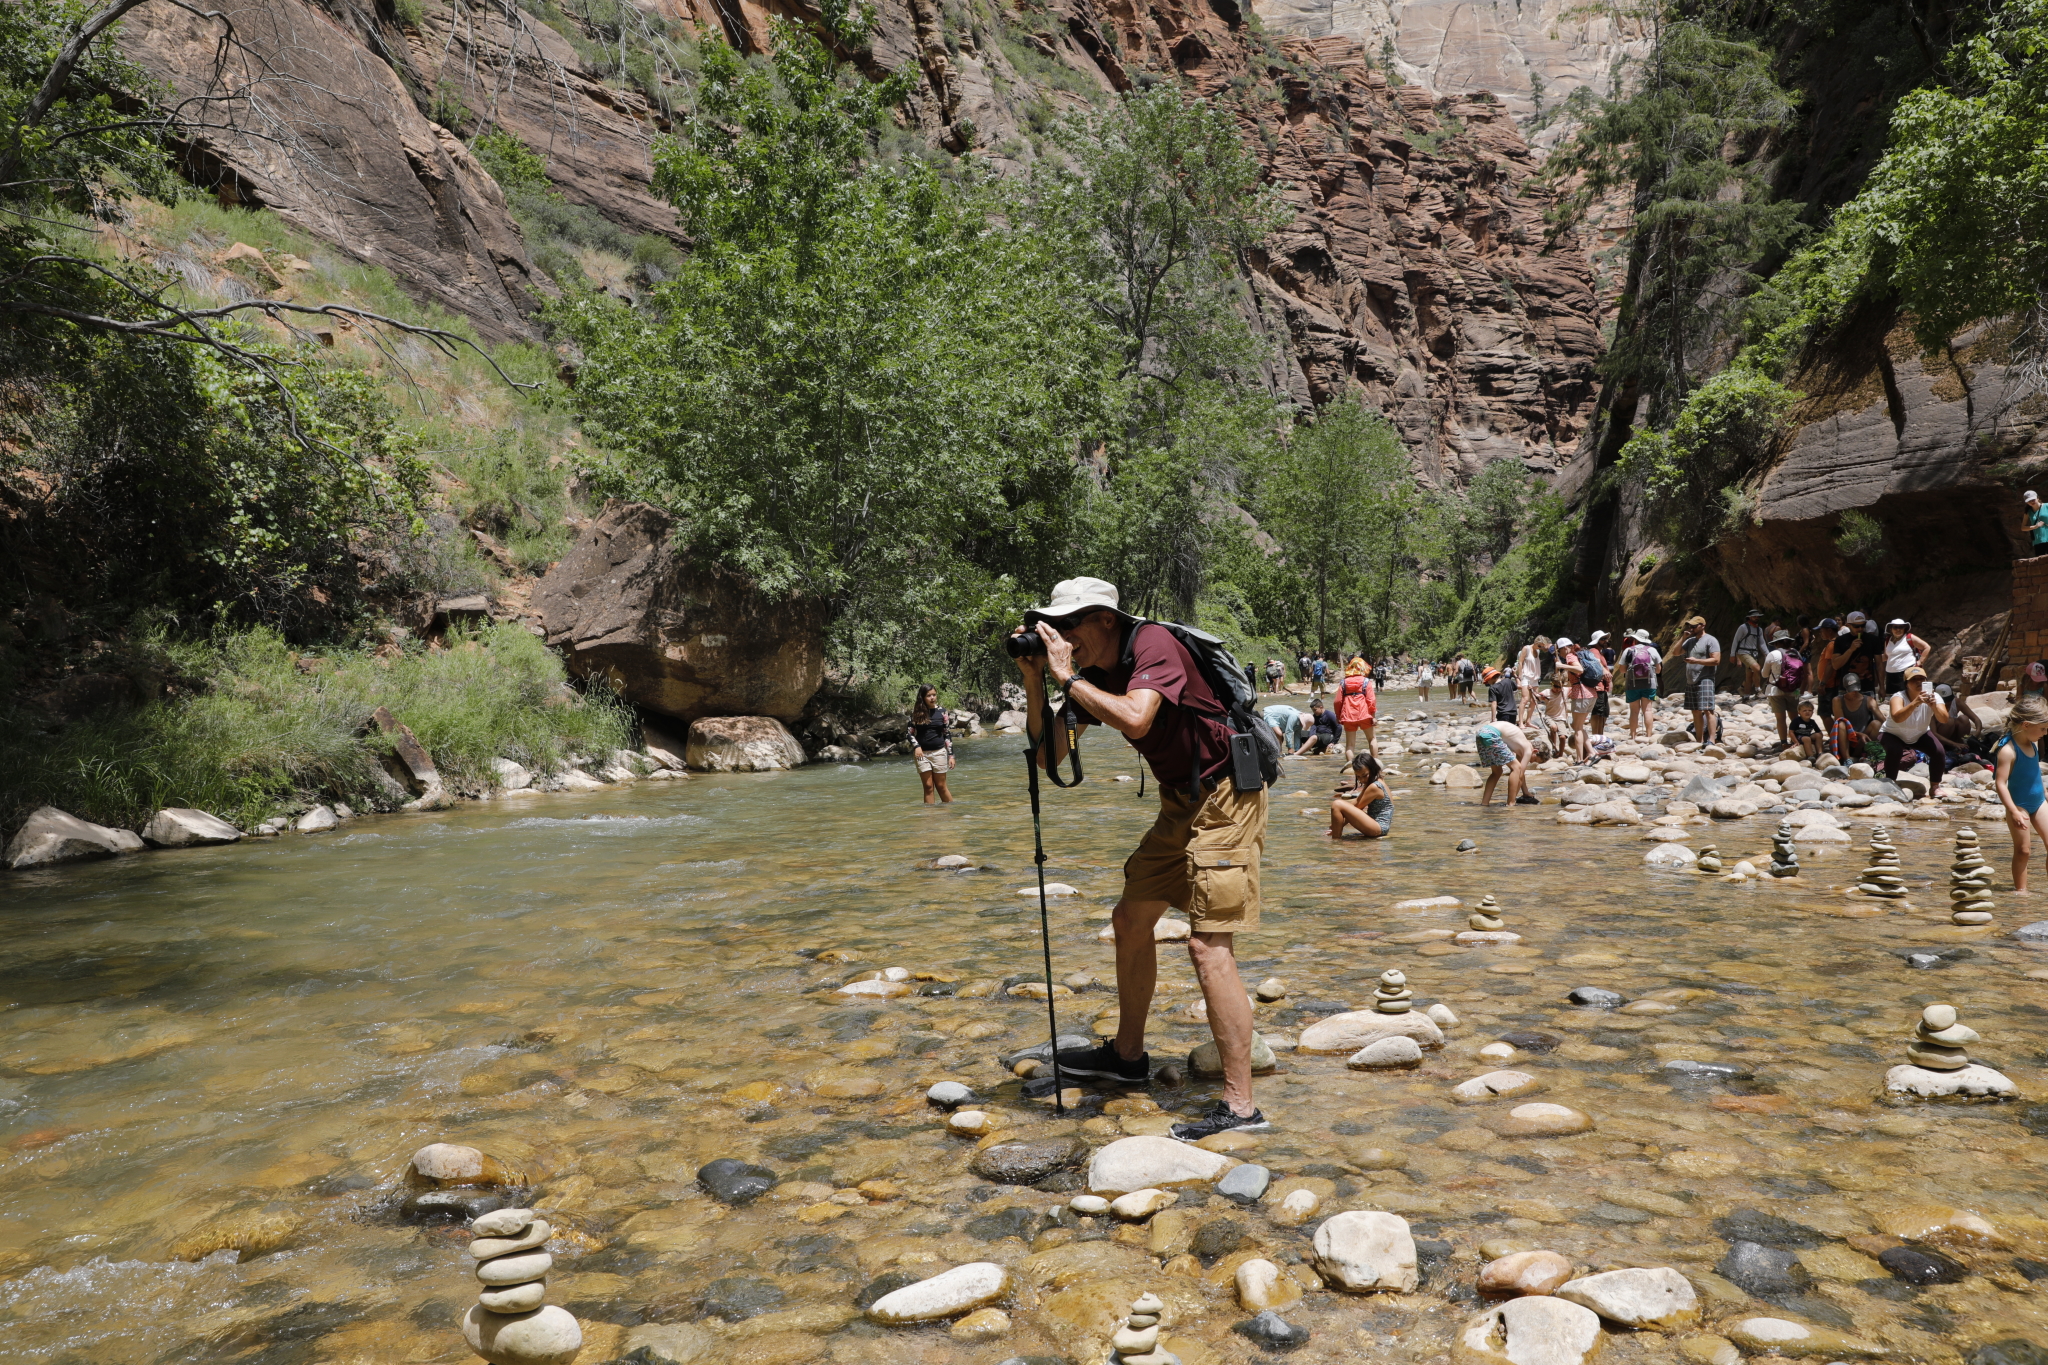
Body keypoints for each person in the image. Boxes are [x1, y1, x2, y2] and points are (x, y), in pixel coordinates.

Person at [1013, 576, 1270, 1139]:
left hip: (1228, 793)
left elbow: (1135, 718)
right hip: (1180, 798)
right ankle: (1128, 1059)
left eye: (1070, 625)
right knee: (1130, 920)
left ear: (1106, 619)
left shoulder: (1152, 642)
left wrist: (1067, 676)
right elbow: (1050, 756)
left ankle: (1242, 1108)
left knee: (1208, 945)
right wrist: (1039, 684)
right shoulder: (1094, 672)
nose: (1062, 636)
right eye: (1055, 628)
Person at [1998, 694, 2048, 890]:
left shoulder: (2033, 743)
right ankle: (2021, 893)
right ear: (2026, 725)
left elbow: (2033, 772)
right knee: (2023, 851)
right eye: (2043, 728)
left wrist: (2044, 793)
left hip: (2039, 802)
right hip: (2019, 805)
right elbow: (2001, 783)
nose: (2045, 732)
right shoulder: (2008, 751)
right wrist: (2013, 811)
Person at [1880, 666, 1949, 788]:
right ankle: (1890, 785)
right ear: (1906, 684)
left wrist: (1934, 707)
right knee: (1895, 751)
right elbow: (1897, 718)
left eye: (1922, 679)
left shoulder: (1935, 697)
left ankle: (1935, 787)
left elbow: (1944, 719)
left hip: (1919, 734)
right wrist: (1915, 703)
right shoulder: (1898, 697)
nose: (1918, 682)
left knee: (1939, 752)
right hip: (1893, 733)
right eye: (1914, 679)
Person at [1666, 615, 1721, 744]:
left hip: (1705, 678)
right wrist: (1683, 637)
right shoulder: (1690, 641)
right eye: (1690, 626)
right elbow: (1676, 652)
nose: (1691, 628)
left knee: (1708, 709)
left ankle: (1711, 740)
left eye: (1694, 626)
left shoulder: (1710, 640)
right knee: (1695, 711)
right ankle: (1699, 739)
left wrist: (1696, 660)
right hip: (1691, 680)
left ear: (1702, 626)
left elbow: (1716, 660)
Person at [1328, 750, 1393, 839]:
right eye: (1358, 776)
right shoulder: (1376, 780)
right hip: (1378, 826)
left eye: (1364, 775)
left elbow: (1358, 806)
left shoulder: (1375, 786)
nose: (1362, 780)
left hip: (1379, 827)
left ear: (1372, 769)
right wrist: (1338, 823)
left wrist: (1338, 825)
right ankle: (1336, 839)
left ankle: (1335, 842)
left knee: (1337, 804)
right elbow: (1356, 802)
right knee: (1339, 805)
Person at [907, 684, 955, 804]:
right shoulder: (915, 714)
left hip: (939, 752)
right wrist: (917, 747)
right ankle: (930, 816)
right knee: (928, 787)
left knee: (941, 786)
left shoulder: (942, 712)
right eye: (928, 695)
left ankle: (950, 813)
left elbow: (947, 734)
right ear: (922, 697)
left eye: (934, 695)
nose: (932, 698)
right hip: (921, 754)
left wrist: (951, 755)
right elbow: (909, 734)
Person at [1476, 720, 1536, 806]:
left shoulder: (1520, 747)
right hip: (1491, 734)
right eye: (1535, 759)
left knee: (1497, 772)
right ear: (1535, 751)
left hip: (1481, 733)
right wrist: (1524, 793)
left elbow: (1520, 776)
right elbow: (1520, 774)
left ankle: (1484, 803)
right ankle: (1511, 803)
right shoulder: (1528, 750)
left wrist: (1525, 792)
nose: (1531, 761)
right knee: (1516, 768)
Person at [1763, 632, 1804, 747]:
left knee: (1781, 718)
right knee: (1794, 717)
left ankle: (1784, 743)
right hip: (1794, 689)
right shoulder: (1796, 653)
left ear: (1776, 643)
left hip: (1775, 690)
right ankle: (1797, 740)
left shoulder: (1773, 654)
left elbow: (1764, 674)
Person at [1831, 672, 1882, 764]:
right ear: (1846, 689)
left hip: (1863, 740)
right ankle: (1847, 758)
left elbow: (1882, 719)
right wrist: (1858, 734)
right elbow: (1840, 721)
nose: (1853, 693)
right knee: (1841, 724)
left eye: (1855, 690)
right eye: (1851, 690)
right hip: (1846, 739)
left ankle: (1866, 754)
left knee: (1876, 724)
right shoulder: (1838, 700)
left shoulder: (1869, 700)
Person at [1555, 635, 1591, 761]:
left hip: (1581, 694)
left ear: (1564, 648)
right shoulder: (1579, 654)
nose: (1560, 654)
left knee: (1577, 728)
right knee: (1578, 725)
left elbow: (1579, 669)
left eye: (1559, 651)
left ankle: (1580, 759)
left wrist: (1562, 666)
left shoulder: (1570, 655)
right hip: (1590, 693)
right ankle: (1591, 753)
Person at [1619, 629, 1660, 739]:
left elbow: (1622, 670)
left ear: (1635, 639)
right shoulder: (1652, 650)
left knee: (1634, 711)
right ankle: (1649, 735)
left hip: (1632, 684)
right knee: (1648, 709)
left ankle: (1632, 736)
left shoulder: (1628, 650)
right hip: (1649, 683)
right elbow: (1659, 670)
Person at [1335, 657, 1377, 758]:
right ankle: (1375, 763)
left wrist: (1338, 715)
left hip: (1348, 715)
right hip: (1364, 714)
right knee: (1372, 739)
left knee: (1350, 745)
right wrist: (1373, 716)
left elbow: (1337, 701)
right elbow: (1371, 700)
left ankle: (1350, 766)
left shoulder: (1343, 683)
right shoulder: (1366, 681)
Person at [1881, 619, 1931, 696]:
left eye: (1901, 627)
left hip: (1906, 672)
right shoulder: (1887, 640)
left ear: (1904, 628)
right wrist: (1873, 659)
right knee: (1893, 697)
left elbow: (1927, 647)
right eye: (1895, 627)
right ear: (1891, 629)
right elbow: (1886, 656)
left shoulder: (1909, 637)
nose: (1898, 629)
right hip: (1890, 674)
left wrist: (1920, 662)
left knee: (1907, 696)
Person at [1731, 609, 1768, 700]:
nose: (1756, 618)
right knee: (1757, 668)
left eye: (1757, 616)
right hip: (1743, 652)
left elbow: (1762, 643)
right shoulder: (1743, 627)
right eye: (1754, 616)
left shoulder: (1759, 629)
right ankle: (1758, 690)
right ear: (1749, 617)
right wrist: (1732, 655)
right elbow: (1736, 641)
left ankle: (1746, 695)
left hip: (1754, 653)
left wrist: (1767, 654)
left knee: (1749, 675)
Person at [1586, 630, 1615, 736]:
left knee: (1603, 712)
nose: (1605, 641)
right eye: (1602, 639)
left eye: (1605, 639)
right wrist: (1606, 671)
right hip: (1597, 686)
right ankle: (1596, 735)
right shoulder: (1594, 651)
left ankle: (1600, 735)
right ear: (1596, 641)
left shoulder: (1599, 652)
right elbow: (1597, 663)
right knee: (1598, 712)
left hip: (1601, 686)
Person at [1515, 635, 1549, 725]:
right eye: (1539, 646)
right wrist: (1520, 675)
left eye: (1542, 646)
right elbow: (1520, 662)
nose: (1541, 648)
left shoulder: (1538, 651)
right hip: (1526, 676)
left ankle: (1528, 721)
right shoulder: (1526, 648)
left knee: (1534, 700)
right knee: (1525, 699)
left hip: (1535, 678)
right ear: (1536, 643)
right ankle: (1521, 722)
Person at [2026, 490, 2048, 558]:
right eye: (2029, 501)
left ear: (2038, 498)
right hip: (2038, 541)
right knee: (2041, 564)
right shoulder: (2028, 512)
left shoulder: (2047, 506)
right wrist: (2035, 526)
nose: (2031, 502)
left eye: (2033, 499)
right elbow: (2023, 527)